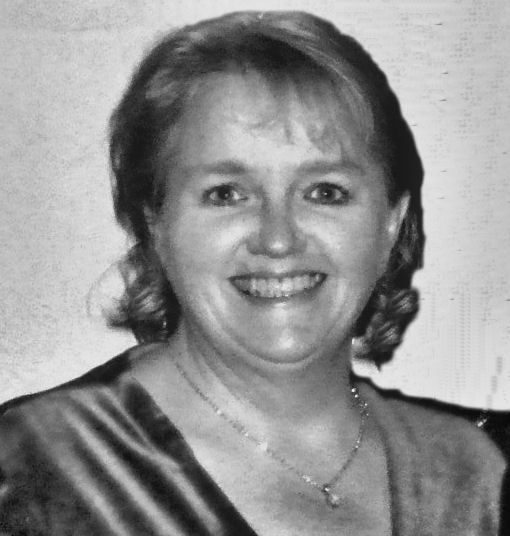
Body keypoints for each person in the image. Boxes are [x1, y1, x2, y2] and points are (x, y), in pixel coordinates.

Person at [0, 10, 505, 536]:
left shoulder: (485, 472)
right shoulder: (35, 471)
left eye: (324, 192)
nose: (278, 238)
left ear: (390, 226)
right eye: (226, 194)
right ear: (156, 224)